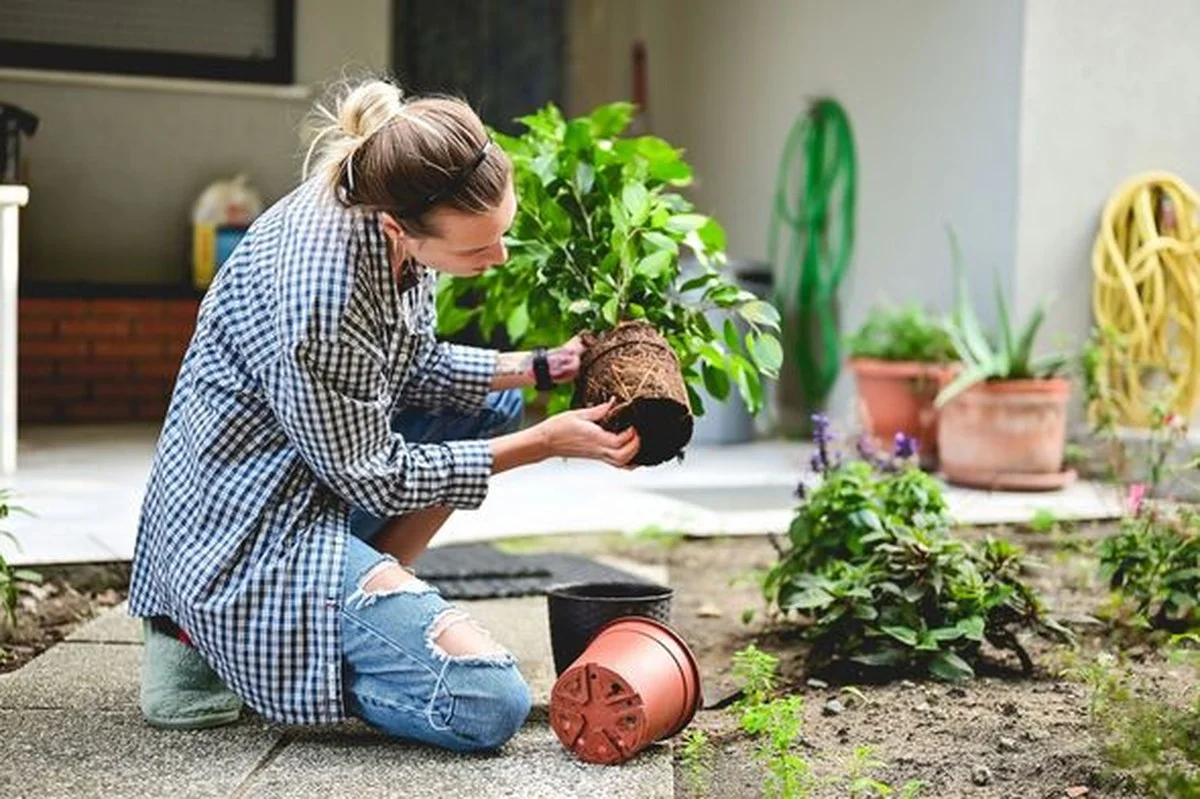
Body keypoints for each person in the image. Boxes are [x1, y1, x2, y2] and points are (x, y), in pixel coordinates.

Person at [127, 77, 641, 752]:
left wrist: (539, 366)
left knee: (495, 402)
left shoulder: (387, 203)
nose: (498, 257)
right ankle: (222, 644)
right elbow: (377, 477)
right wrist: (543, 443)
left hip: (309, 473)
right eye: (476, 249)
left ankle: (367, 600)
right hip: (247, 529)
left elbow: (409, 364)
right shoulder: (324, 298)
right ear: (403, 229)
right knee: (487, 701)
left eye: (502, 234)